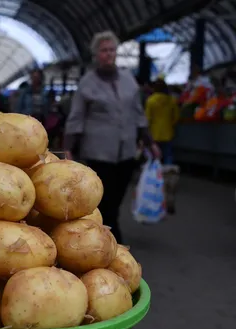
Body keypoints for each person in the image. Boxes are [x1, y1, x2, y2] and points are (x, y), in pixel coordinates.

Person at [64, 31, 160, 243]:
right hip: (98, 151)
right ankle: (109, 237)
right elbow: (76, 117)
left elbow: (138, 113)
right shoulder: (87, 83)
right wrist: (68, 147)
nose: (108, 54)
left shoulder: (128, 80)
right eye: (104, 50)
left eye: (111, 50)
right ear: (96, 55)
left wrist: (150, 142)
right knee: (103, 198)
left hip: (126, 150)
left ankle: (108, 231)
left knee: (117, 197)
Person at [145, 79, 179, 165]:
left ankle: (155, 175)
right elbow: (176, 117)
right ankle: (168, 175)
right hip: (168, 133)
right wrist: (171, 124)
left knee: (154, 156)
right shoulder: (172, 100)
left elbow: (147, 118)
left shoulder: (150, 100)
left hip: (154, 133)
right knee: (168, 155)